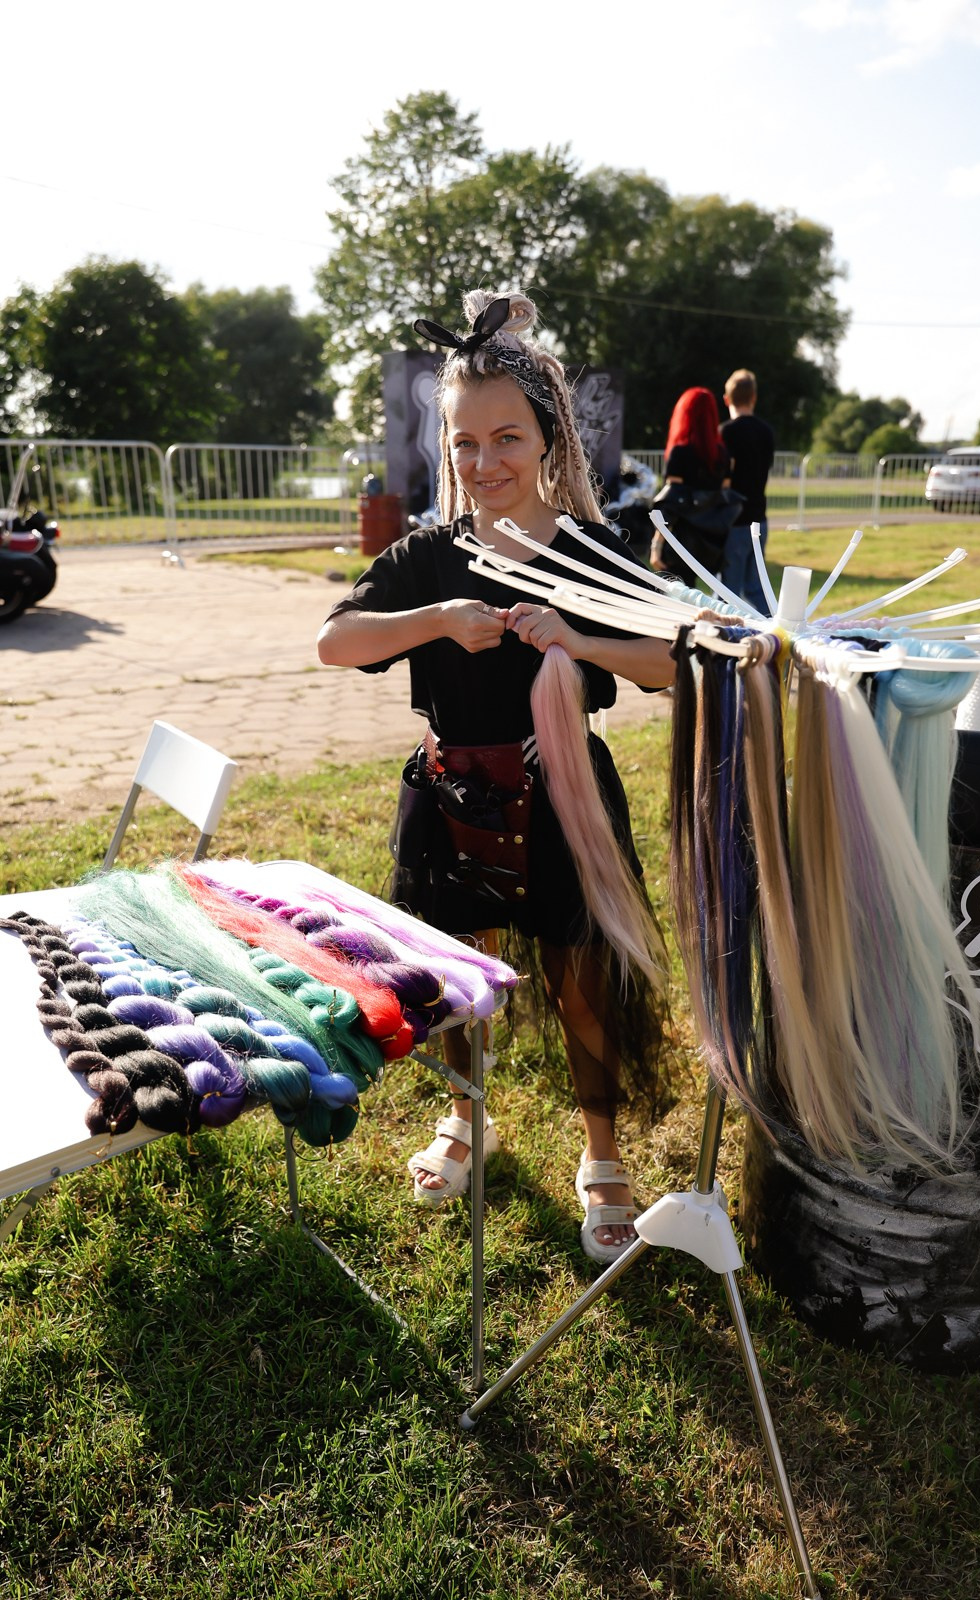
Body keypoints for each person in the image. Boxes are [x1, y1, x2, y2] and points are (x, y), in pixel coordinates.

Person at [316, 290, 675, 1264]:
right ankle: (465, 1121)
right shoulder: (427, 555)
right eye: (464, 443)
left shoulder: (593, 552)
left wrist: (580, 634)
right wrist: (435, 618)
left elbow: (677, 665)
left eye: (506, 438)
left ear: (548, 436)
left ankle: (600, 1156)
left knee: (580, 980)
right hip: (448, 799)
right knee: (453, 974)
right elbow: (334, 643)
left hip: (565, 802)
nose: (484, 464)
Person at [650, 387, 732, 579]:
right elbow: (724, 498)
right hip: (710, 543)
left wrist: (656, 545)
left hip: (680, 541)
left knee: (673, 600)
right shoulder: (722, 455)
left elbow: (672, 503)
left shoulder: (680, 452)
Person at [719, 369, 776, 614]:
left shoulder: (725, 433)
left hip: (734, 520)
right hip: (759, 516)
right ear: (754, 398)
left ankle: (721, 642)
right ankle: (776, 632)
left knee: (728, 591)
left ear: (727, 399)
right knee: (756, 586)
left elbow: (723, 477)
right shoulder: (767, 432)